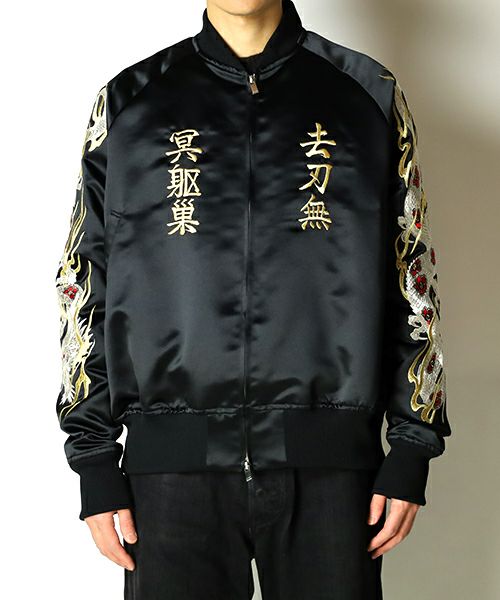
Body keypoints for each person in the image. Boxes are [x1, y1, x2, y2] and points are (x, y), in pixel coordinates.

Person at [54, 0, 452, 597]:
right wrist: (94, 458)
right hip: (171, 472)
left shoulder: (367, 94)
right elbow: (85, 278)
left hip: (330, 470)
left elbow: (411, 271)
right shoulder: (130, 103)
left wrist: (412, 445)